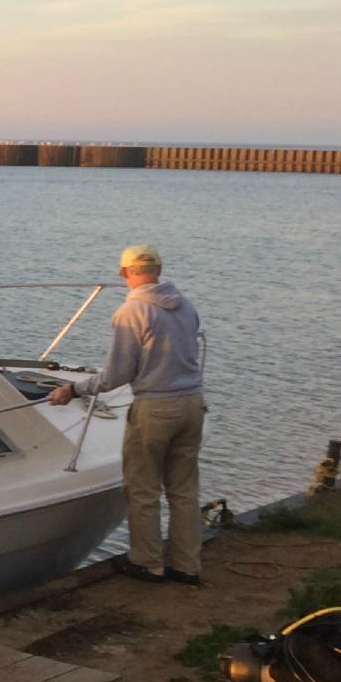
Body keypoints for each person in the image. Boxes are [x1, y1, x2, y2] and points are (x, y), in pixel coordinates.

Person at [48, 244, 206, 586]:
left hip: (156, 408)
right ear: (159, 270)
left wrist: (72, 390)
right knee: (183, 489)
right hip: (193, 403)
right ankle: (187, 565)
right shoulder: (186, 305)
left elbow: (116, 374)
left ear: (123, 273)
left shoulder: (131, 311)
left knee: (143, 487)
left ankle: (148, 563)